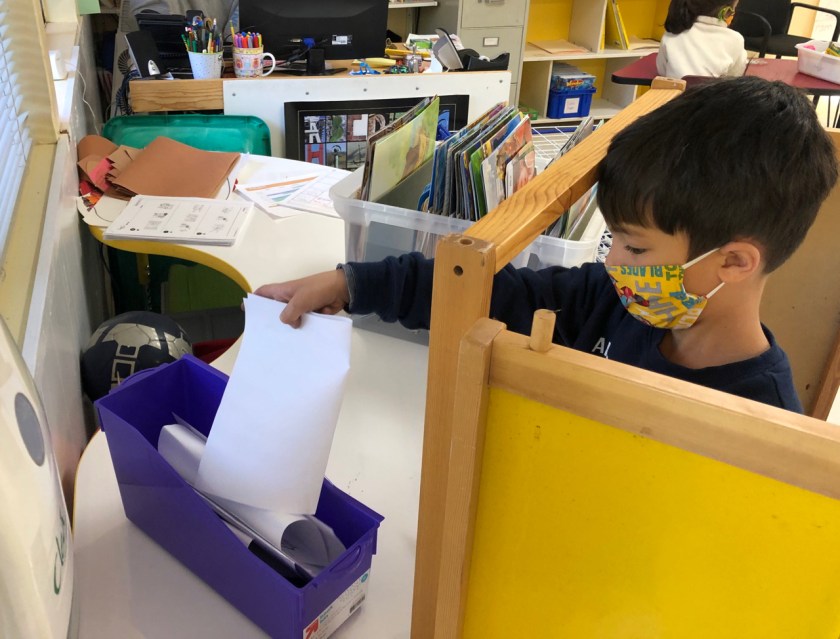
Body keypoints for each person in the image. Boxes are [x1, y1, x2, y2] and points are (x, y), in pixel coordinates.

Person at [254, 77, 838, 413]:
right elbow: (487, 289)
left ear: (734, 262)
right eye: (614, 240)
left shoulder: (764, 418)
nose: (613, 262)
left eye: (635, 250)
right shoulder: (610, 300)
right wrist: (351, 282)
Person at [656, 0, 747, 79]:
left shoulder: (673, 32)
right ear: (726, 12)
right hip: (711, 94)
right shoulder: (735, 39)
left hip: (673, 93)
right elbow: (734, 77)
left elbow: (662, 71)